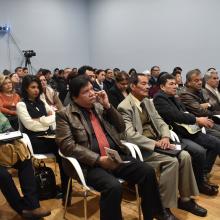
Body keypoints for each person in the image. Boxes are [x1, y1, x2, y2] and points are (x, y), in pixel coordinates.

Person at [56, 75, 167, 220]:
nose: (91, 93)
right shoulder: (64, 114)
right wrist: (98, 159)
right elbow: (67, 146)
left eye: (91, 88)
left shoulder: (99, 106)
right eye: (85, 92)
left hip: (114, 156)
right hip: (88, 164)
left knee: (147, 171)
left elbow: (121, 127)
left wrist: (108, 106)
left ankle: (154, 214)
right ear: (75, 97)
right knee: (113, 186)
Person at [117, 73, 207, 218]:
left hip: (160, 143)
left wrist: (165, 136)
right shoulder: (124, 107)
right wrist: (155, 143)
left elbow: (161, 122)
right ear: (133, 86)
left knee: (185, 156)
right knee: (171, 162)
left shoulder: (147, 102)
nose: (148, 86)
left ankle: (185, 199)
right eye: (144, 84)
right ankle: (162, 208)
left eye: (148, 83)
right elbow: (129, 135)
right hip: (143, 149)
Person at [153, 73, 219, 195]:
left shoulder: (174, 97)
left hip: (189, 130)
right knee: (199, 151)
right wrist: (197, 120)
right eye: (171, 84)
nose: (175, 86)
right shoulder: (159, 98)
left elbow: (185, 112)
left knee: (216, 143)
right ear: (162, 87)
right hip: (177, 134)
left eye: (175, 84)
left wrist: (197, 120)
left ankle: (203, 174)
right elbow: (175, 115)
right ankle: (199, 184)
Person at [16, 75, 69, 204]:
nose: (36, 90)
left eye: (38, 87)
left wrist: (41, 120)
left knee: (65, 148)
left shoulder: (42, 101)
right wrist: (47, 119)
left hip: (49, 136)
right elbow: (30, 126)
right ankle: (67, 190)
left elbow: (55, 117)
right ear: (26, 88)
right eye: (32, 87)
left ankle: (67, 189)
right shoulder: (21, 104)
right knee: (62, 148)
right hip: (34, 140)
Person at [0, 112, 51, 219]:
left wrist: (9, 134)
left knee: (25, 161)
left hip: (3, 149)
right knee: (3, 175)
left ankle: (33, 205)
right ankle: (21, 209)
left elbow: (8, 128)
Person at [180, 69, 220, 139]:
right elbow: (201, 112)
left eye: (201, 80)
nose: (200, 82)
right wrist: (209, 107)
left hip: (208, 121)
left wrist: (207, 105)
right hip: (198, 126)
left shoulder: (200, 91)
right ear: (188, 82)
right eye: (196, 80)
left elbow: (212, 105)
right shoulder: (185, 95)